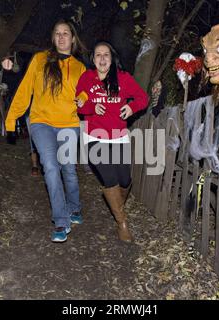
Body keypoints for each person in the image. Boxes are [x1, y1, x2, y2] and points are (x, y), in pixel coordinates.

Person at [5, 20, 86, 243]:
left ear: (73, 38)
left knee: (68, 170)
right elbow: (24, 90)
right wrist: (12, 118)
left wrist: (84, 99)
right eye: (57, 33)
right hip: (41, 122)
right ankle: (61, 220)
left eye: (66, 33)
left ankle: (75, 207)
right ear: (53, 38)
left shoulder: (80, 68)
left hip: (69, 123)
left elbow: (87, 92)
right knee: (50, 167)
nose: (61, 37)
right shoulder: (40, 59)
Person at [75, 41, 148, 243]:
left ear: (111, 57)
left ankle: (117, 205)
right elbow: (80, 104)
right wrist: (91, 107)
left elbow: (143, 98)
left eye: (105, 54)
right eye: (98, 55)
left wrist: (132, 108)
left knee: (124, 180)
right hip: (94, 138)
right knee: (110, 179)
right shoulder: (87, 79)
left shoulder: (123, 78)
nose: (102, 58)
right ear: (93, 59)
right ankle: (121, 222)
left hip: (118, 137)